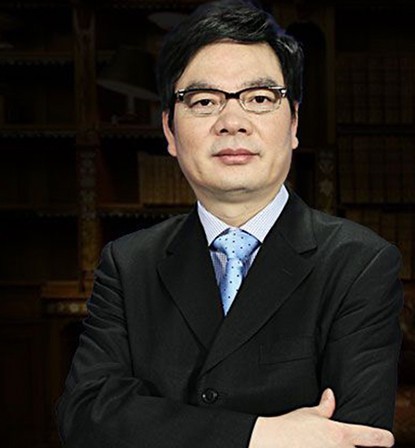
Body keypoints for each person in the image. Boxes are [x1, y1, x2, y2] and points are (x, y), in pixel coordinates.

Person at [57, 1, 403, 447]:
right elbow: (85, 417)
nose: (232, 123)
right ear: (170, 131)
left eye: (259, 98)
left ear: (293, 123)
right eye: (204, 101)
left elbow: (355, 439)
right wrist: (258, 435)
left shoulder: (360, 263)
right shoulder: (128, 263)